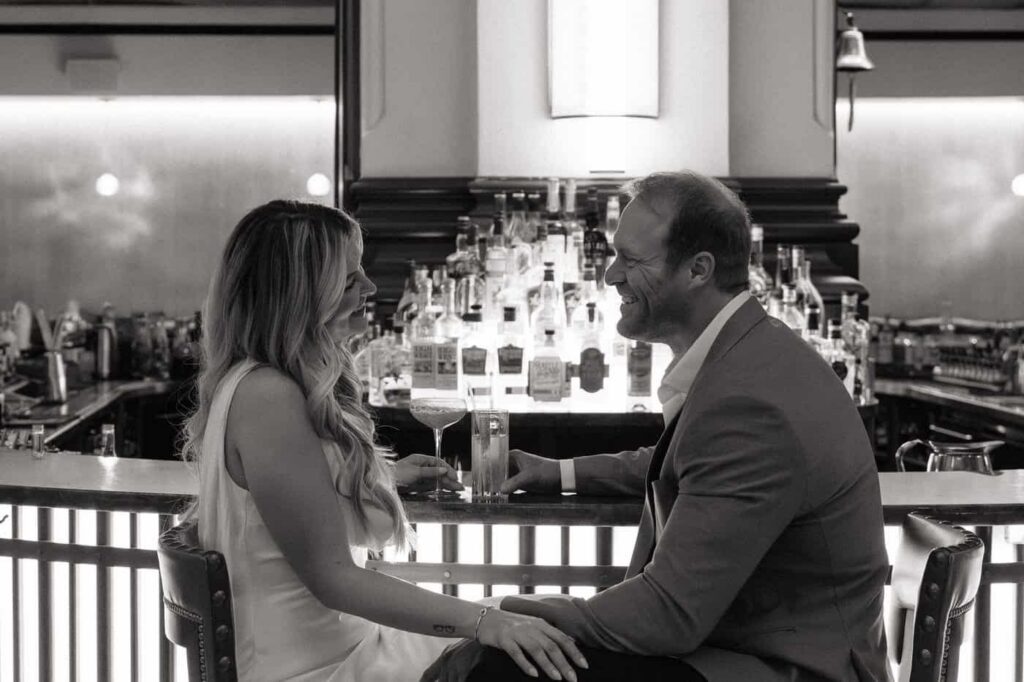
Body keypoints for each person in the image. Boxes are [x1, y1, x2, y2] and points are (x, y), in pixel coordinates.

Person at [428, 172, 890, 682]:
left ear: (698, 270)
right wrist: (558, 473)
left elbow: (668, 616)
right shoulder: (755, 351)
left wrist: (507, 613)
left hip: (782, 670)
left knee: (491, 665)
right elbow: (694, 464)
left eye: (632, 260)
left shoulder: (750, 401)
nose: (610, 276)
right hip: (745, 649)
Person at [182, 200, 587, 682]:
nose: (370, 288)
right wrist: (483, 622)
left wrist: (383, 475)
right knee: (527, 637)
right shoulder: (268, 394)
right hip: (320, 669)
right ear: (300, 295)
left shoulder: (261, 385)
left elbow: (289, 503)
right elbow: (336, 581)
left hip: (351, 647)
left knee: (548, 610)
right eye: (351, 280)